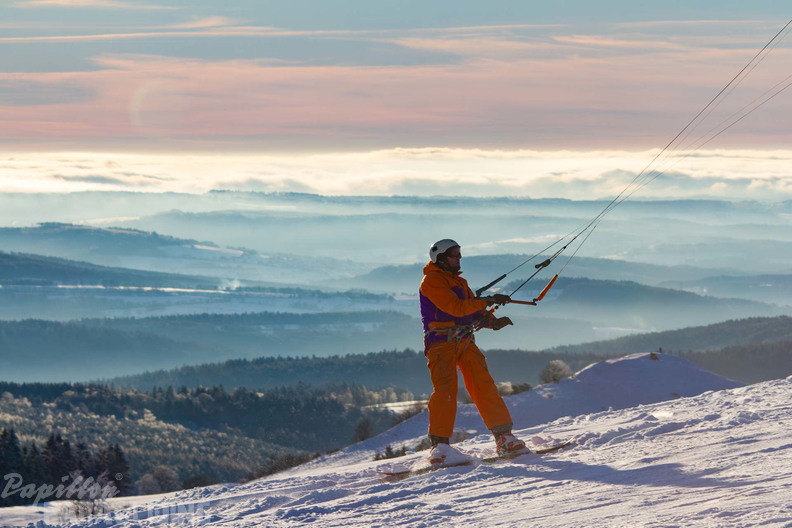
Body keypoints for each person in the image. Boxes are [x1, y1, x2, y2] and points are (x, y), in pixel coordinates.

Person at [419, 238, 528, 465]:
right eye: (454, 254)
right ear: (441, 258)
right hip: (441, 344)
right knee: (445, 391)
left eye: (459, 253)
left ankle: (504, 438)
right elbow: (455, 308)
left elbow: (470, 310)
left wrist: (491, 321)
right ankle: (440, 448)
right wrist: (486, 301)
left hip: (465, 340)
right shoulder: (432, 281)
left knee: (483, 385)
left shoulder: (459, 282)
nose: (459, 258)